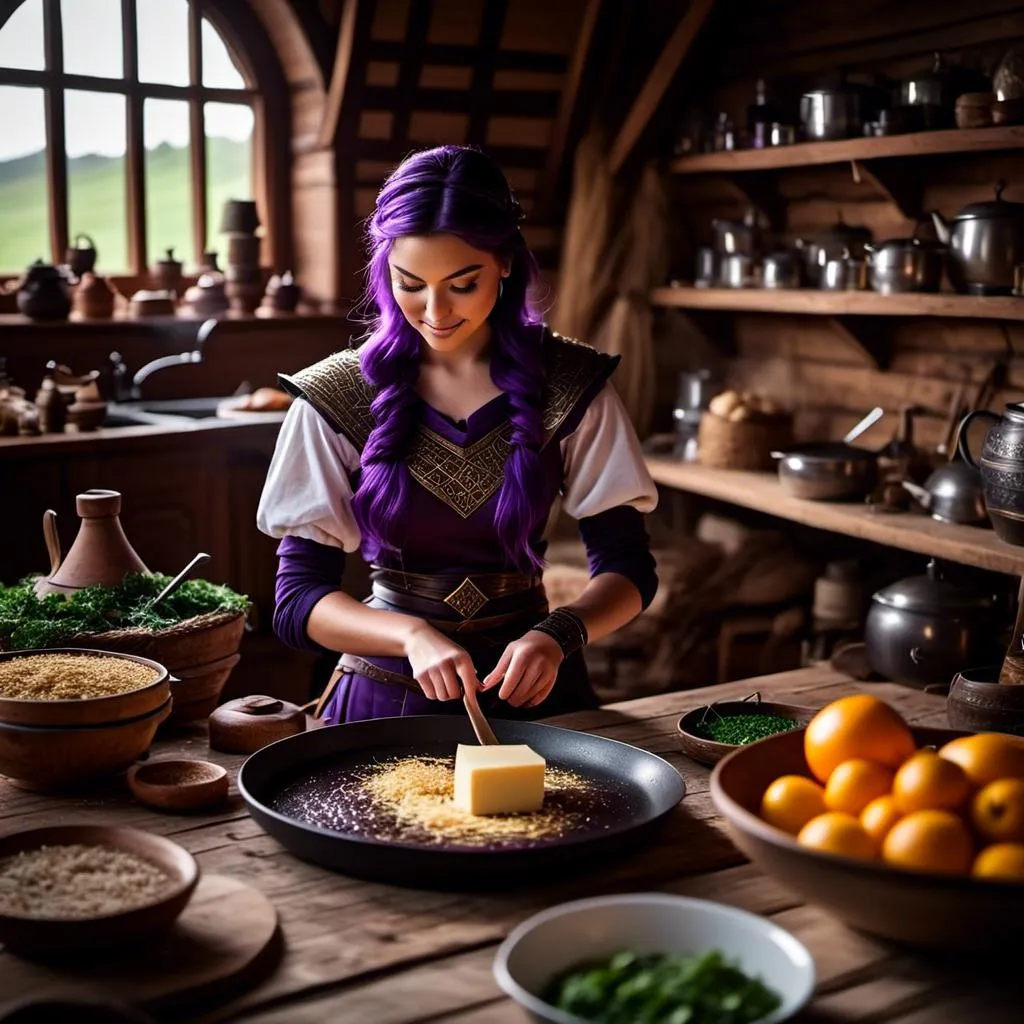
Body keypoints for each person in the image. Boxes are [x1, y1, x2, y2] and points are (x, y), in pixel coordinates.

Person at [257, 144, 658, 725]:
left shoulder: (573, 385)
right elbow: (296, 604)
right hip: (384, 697)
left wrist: (559, 634)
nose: (435, 310)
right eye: (410, 283)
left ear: (505, 263)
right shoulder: (336, 397)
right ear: (385, 270)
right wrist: (411, 635)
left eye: (462, 284)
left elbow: (628, 569)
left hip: (539, 692)